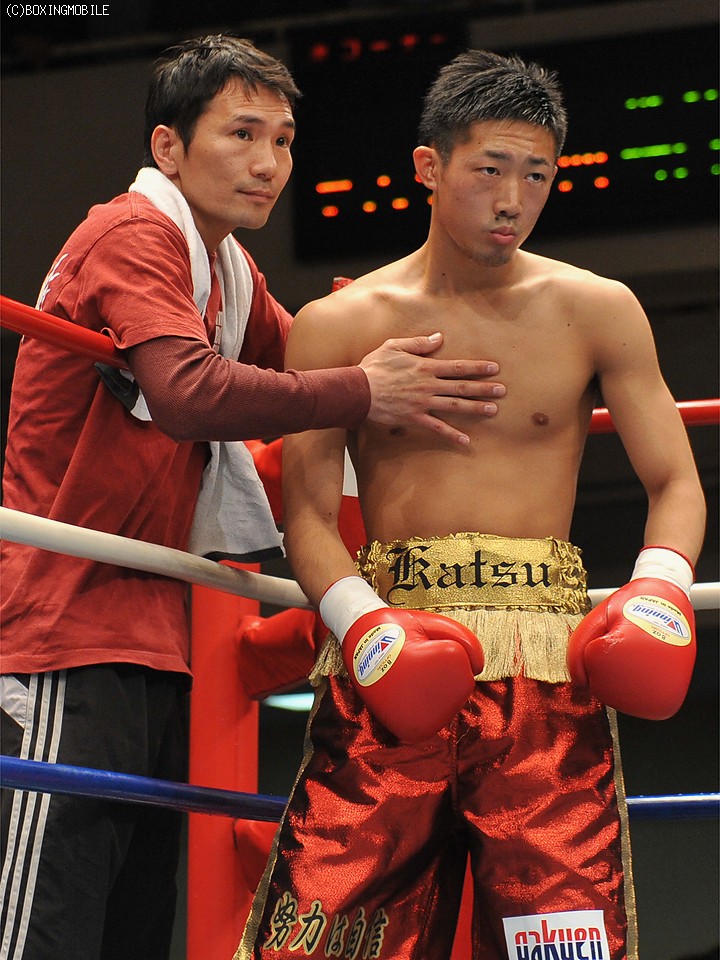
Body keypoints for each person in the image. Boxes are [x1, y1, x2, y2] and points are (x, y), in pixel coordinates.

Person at [0, 35, 507, 960]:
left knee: (129, 926)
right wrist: (367, 386)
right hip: (64, 618)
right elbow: (191, 393)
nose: (269, 162)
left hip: (150, 629)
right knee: (49, 925)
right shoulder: (133, 235)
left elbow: (314, 355)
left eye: (282, 140)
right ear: (168, 147)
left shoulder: (227, 270)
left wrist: (440, 313)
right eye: (241, 134)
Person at [235, 49, 706, 960]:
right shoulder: (342, 324)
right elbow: (307, 516)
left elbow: (675, 482)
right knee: (322, 944)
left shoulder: (598, 309)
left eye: (537, 176)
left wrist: (658, 590)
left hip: (546, 679)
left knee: (562, 945)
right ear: (429, 165)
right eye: (490, 169)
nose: (512, 199)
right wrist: (364, 625)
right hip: (389, 657)